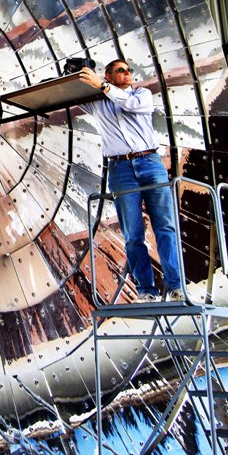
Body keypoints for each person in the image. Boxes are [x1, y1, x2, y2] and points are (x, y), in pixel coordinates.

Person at [78, 59, 183, 302]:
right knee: (133, 234)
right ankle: (146, 291)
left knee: (165, 227)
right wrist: (78, 75)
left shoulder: (142, 95)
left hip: (150, 163)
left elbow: (131, 104)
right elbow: (67, 95)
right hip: (120, 168)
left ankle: (176, 286)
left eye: (128, 70)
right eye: (120, 71)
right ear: (109, 74)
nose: (127, 74)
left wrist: (103, 86)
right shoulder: (98, 103)